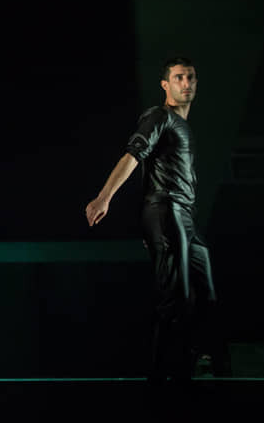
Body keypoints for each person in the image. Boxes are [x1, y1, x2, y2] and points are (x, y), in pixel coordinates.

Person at [84, 56, 217, 384]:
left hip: (184, 216)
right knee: (175, 297)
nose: (186, 83)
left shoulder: (184, 126)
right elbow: (133, 156)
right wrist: (104, 197)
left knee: (206, 293)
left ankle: (192, 359)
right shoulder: (160, 117)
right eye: (179, 78)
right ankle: (162, 377)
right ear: (165, 85)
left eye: (191, 77)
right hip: (166, 209)